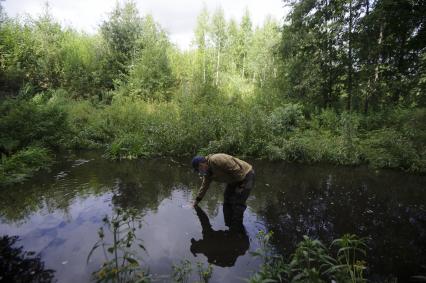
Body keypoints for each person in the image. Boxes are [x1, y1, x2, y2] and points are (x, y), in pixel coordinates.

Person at [191, 153, 255, 229]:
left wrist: (240, 186)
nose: (199, 172)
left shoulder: (216, 159)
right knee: (227, 199)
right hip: (233, 179)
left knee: (238, 203)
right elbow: (204, 187)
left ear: (201, 165)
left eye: (198, 169)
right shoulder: (207, 172)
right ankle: (229, 225)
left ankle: (237, 230)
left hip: (245, 175)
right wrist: (196, 202)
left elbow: (237, 170)